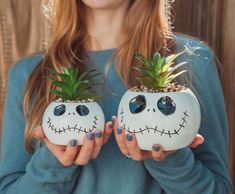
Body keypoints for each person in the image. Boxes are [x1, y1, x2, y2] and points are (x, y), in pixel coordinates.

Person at [0, 0, 233, 193]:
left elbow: (219, 189)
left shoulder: (190, 62)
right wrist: (54, 163)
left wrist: (171, 158)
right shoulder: (29, 75)